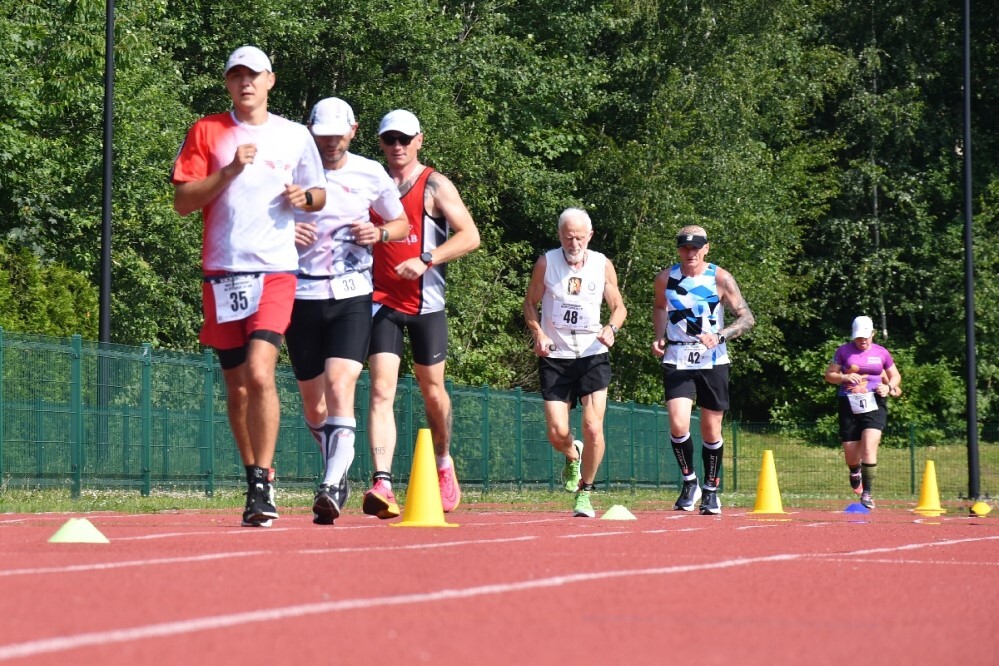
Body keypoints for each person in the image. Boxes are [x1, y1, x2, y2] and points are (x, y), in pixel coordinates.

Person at [171, 45, 327, 527]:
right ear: (227, 84)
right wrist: (231, 170)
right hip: (222, 273)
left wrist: (306, 197)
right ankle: (255, 478)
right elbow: (182, 201)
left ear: (270, 81)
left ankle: (263, 482)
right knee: (237, 388)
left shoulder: (294, 135)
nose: (246, 84)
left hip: (275, 271)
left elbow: (318, 192)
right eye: (237, 76)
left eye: (254, 76)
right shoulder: (208, 131)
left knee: (261, 372)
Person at [286, 97, 409, 525]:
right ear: (310, 132)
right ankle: (334, 471)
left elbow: (402, 226)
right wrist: (288, 234)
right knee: (314, 405)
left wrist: (377, 232)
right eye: (323, 137)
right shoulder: (290, 170)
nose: (331, 144)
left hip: (352, 294)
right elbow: (261, 222)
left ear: (353, 131)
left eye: (338, 136)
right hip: (300, 295)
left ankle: (333, 481)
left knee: (342, 383)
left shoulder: (371, 173)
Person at [363, 109, 481, 519]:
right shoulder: (371, 183)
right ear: (380, 142)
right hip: (382, 303)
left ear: (419, 140)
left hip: (427, 306)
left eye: (404, 139)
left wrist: (427, 258)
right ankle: (382, 481)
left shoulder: (435, 184)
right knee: (381, 391)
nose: (397, 147)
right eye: (389, 139)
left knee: (433, 391)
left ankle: (443, 461)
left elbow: (471, 236)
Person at [523, 208, 627, 518]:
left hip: (593, 353)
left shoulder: (602, 265)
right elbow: (530, 303)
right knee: (557, 432)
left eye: (580, 237)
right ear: (560, 236)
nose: (574, 242)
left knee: (594, 427)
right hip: (556, 356)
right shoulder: (547, 263)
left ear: (590, 237)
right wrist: (539, 334)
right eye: (568, 236)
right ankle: (572, 454)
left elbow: (619, 307)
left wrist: (612, 328)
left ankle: (586, 492)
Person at [652, 225, 755, 515]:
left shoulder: (720, 278)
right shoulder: (665, 279)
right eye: (685, 247)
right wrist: (659, 335)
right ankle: (689, 482)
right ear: (678, 250)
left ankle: (711, 490)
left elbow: (747, 318)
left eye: (696, 247)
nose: (690, 252)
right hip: (677, 356)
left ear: (706, 248)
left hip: (712, 360)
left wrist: (720, 335)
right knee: (677, 423)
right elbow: (660, 308)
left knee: (711, 429)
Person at [823, 315, 902, 509]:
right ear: (853, 336)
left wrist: (889, 387)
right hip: (849, 403)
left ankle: (867, 492)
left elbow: (895, 377)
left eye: (866, 336)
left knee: (869, 447)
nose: (863, 340)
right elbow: (829, 376)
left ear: (873, 334)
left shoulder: (882, 353)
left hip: (875, 403)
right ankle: (854, 470)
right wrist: (844, 376)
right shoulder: (843, 351)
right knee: (851, 454)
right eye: (859, 337)